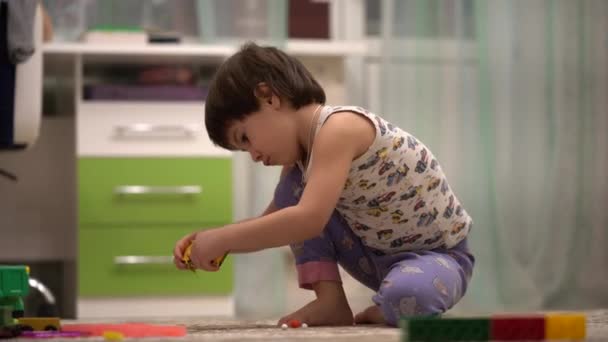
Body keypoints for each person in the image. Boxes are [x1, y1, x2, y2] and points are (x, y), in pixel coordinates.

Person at [173, 42, 475, 327]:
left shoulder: (339, 128)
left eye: (245, 138)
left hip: (438, 259)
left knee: (406, 298)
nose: (253, 155)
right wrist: (213, 241)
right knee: (293, 196)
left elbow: (307, 220)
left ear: (268, 97)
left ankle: (390, 304)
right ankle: (331, 302)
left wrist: (223, 238)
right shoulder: (302, 162)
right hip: (376, 259)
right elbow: (273, 223)